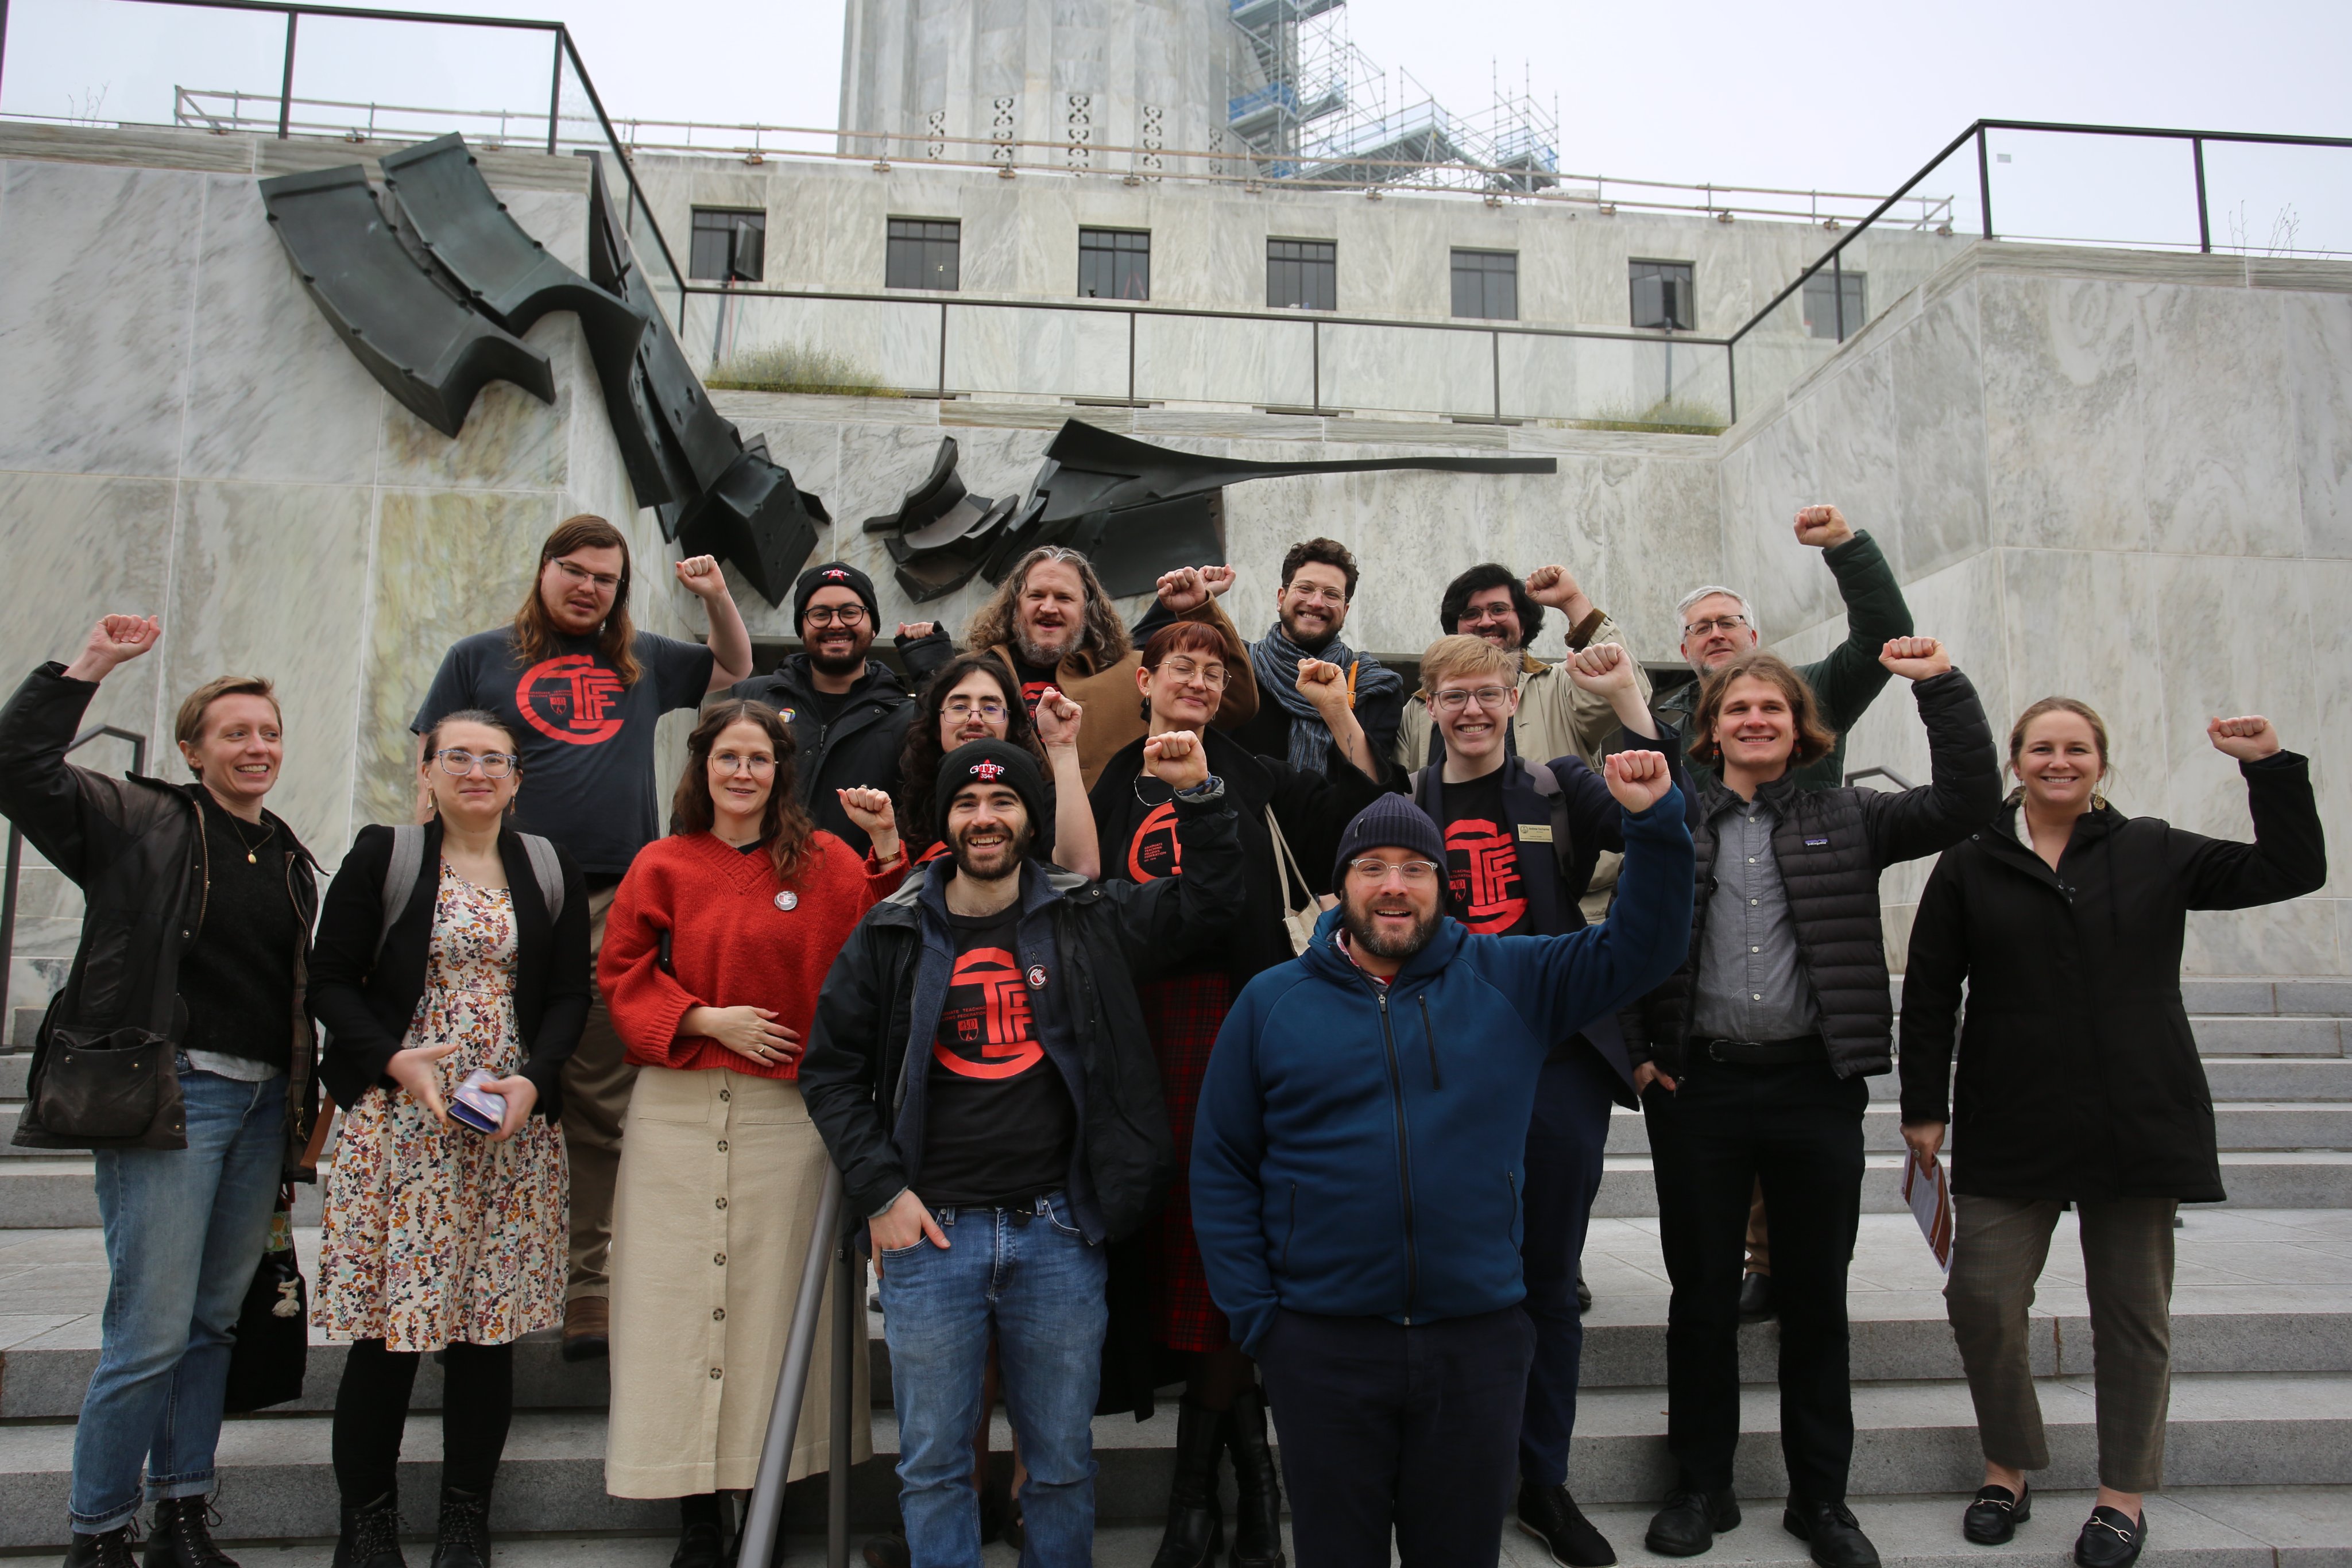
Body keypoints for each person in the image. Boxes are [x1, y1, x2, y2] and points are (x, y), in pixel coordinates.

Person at [1190, 768, 1696, 1568]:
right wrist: (1262, 1319)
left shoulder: (1512, 977)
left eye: (1415, 868)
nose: (1394, 886)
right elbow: (1220, 1163)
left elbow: (1647, 945)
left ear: (1443, 883)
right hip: (1322, 1346)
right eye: (1372, 866)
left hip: (1477, 1343)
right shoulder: (1271, 1000)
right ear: (1341, 883)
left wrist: (1657, 823)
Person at [802, 735, 1247, 1568]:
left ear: (1031, 819)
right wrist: (881, 1193)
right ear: (946, 820)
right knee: (934, 1465)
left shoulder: (1089, 914)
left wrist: (1200, 797)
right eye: (967, 803)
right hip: (931, 1234)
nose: (985, 817)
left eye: (1003, 800)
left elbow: (1209, 905)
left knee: (1062, 1464)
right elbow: (830, 1071)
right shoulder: (892, 929)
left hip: (1058, 1231)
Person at [1899, 703, 2325, 1568]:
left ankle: (2120, 1497)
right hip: (2011, 1116)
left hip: (2138, 1116)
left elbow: (2292, 866)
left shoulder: (2155, 848)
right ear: (2017, 761)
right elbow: (1934, 989)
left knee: (2133, 1315)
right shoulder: (1972, 861)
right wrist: (1923, 1107)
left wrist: (2268, 766)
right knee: (1981, 1298)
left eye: (2078, 747)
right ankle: (2006, 1468)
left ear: (2103, 761)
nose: (2060, 761)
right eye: (2043, 747)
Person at [1621, 641, 1999, 1568]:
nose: (1755, 721)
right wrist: (1634, 1052)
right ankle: (1701, 1486)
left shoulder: (1851, 815)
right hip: (1697, 1087)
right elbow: (1628, 926)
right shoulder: (1672, 817)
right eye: (1738, 709)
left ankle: (1821, 1499)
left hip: (1811, 1088)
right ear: (1710, 730)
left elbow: (1967, 803)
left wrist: (1940, 687)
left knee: (1816, 1298)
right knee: (1702, 1296)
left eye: (1773, 711)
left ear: (1801, 731)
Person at [2, 618, 319, 1568]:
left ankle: (183, 1510)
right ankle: (99, 1531)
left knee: (211, 1323)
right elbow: (18, 764)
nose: (256, 747)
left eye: (267, 732)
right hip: (175, 1102)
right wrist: (88, 666)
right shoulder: (140, 822)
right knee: (147, 1329)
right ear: (192, 749)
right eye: (235, 733)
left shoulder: (291, 856)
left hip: (263, 1108)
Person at [412, 513, 751, 1361]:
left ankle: (588, 1281)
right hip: (498, 889)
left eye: (606, 575)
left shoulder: (641, 662)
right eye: (575, 569)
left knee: (600, 1093)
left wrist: (714, 597)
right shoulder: (478, 656)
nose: (588, 586)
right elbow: (433, 769)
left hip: (610, 898)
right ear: (545, 570)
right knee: (480, 1076)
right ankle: (473, 1265)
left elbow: (735, 667)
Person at [1088, 620, 1389, 1568]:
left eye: (1217, 672)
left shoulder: (1252, 770)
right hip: (1136, 1035)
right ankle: (1249, 1484)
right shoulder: (1112, 781)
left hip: (1243, 1023)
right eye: (1185, 668)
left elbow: (1358, 820)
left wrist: (1340, 716)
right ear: (1145, 679)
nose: (1202, 683)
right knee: (1177, 1247)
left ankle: (1204, 1498)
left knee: (1234, 1243)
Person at [598, 700, 910, 1568]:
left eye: (760, 759)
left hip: (788, 1120)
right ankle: (699, 1518)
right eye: (727, 757)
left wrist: (888, 847)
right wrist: (703, 1016)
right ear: (701, 769)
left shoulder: (827, 861)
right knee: (673, 1310)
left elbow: (888, 938)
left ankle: (765, 1498)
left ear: (781, 772)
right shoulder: (660, 862)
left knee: (774, 1313)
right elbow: (620, 971)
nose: (743, 772)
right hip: (679, 1109)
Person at [1402, 634, 1678, 1567]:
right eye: (1454, 697)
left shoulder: (1560, 785)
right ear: (1430, 707)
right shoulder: (1405, 810)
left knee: (1547, 1283)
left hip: (1557, 1061)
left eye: (1488, 693)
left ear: (1516, 698)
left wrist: (1637, 709)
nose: (1472, 710)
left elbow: (1660, 813)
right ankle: (1458, 1470)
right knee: (1446, 1276)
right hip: (1443, 1063)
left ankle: (1541, 1479)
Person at [310, 710, 591, 1568]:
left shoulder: (546, 865)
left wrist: (535, 1081)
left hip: (507, 1131)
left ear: (517, 778)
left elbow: (571, 994)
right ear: (426, 772)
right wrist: (396, 1059)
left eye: (494, 759)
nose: (477, 770)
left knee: (484, 1334)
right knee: (386, 1333)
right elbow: (329, 979)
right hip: (403, 1126)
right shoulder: (384, 855)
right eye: (457, 756)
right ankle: (368, 1523)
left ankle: (466, 1519)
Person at [1650, 504, 1915, 1326]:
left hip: (1808, 947)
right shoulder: (1665, 732)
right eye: (1700, 627)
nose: (1716, 632)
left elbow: (1882, 631)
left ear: (1755, 634)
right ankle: (1732, 1269)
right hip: (1704, 968)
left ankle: (1774, 1267)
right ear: (1688, 651)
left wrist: (1846, 547)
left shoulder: (1811, 695)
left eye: (1729, 620)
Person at [962, 547, 1259, 784]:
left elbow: (1235, 703)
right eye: (1036, 596)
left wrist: (1199, 609)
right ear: (1015, 607)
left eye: (1064, 598)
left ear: (1087, 609)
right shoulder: (972, 677)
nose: (1049, 607)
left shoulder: (1134, 670)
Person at [726, 560, 953, 855]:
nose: (835, 624)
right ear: (801, 627)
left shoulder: (907, 718)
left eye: (850, 612)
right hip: (748, 886)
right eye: (820, 614)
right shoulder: (751, 700)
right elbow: (704, 792)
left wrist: (937, 677)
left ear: (872, 628)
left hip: (859, 893)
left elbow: (936, 798)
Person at [1140, 539, 1404, 783]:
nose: (1316, 602)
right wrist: (1193, 606)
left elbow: (1374, 785)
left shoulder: (1375, 687)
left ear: (1345, 611)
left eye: (1332, 595)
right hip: (1238, 825)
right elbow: (1142, 657)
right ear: (1281, 598)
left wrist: (1336, 710)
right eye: (1305, 589)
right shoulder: (1234, 670)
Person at [1394, 561, 1648, 775]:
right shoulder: (1418, 710)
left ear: (1523, 624)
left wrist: (1573, 601)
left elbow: (1630, 689)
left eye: (1498, 609)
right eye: (1471, 614)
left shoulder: (1561, 687)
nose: (1485, 622)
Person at [896, 650, 1100, 876]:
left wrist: (1062, 747)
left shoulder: (1041, 797)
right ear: (936, 725)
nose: (974, 719)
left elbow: (1082, 871)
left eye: (991, 708)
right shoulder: (913, 798)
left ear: (1010, 724)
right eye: (959, 707)